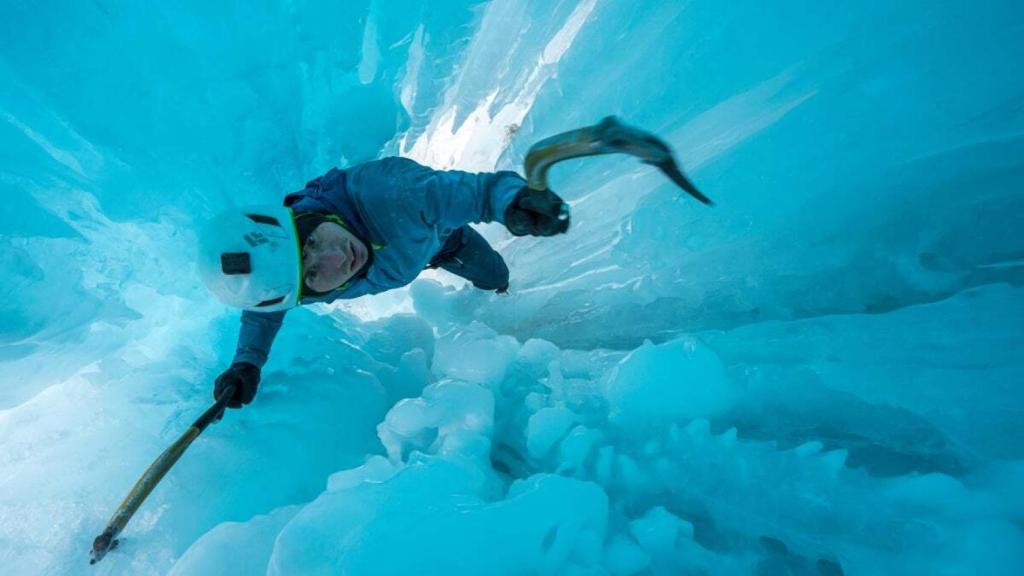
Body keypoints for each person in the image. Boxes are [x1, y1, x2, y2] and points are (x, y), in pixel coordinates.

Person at [198, 156, 570, 409]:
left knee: (494, 276)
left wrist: (512, 201)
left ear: (297, 218)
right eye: (312, 273)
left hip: (444, 242)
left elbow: (465, 192)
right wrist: (246, 363)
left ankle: (503, 296)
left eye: (312, 241)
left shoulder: (389, 193)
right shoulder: (289, 278)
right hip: (410, 254)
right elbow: (264, 312)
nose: (337, 258)